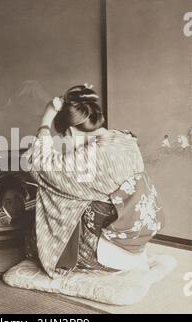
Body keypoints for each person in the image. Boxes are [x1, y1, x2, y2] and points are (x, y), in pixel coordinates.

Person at [25, 84, 165, 278]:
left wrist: (46, 118)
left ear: (71, 132)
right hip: (136, 240)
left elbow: (39, 165)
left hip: (112, 255)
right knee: (77, 192)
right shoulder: (123, 139)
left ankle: (88, 260)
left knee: (51, 213)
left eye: (63, 137)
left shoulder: (90, 158)